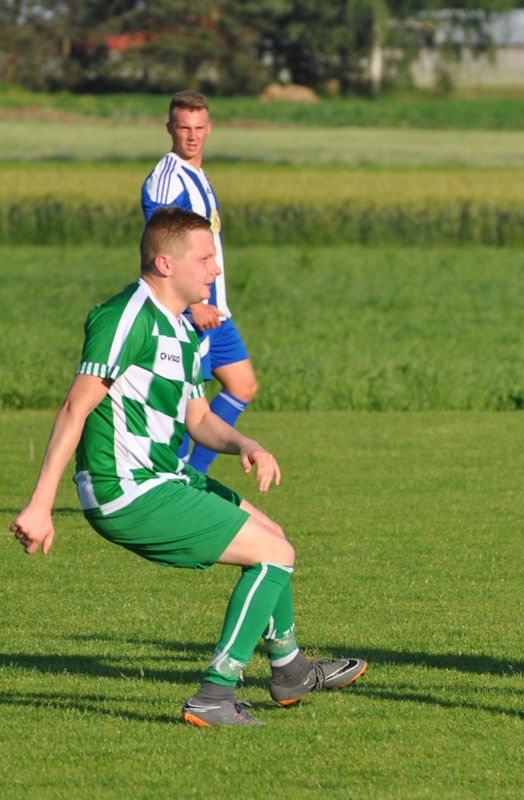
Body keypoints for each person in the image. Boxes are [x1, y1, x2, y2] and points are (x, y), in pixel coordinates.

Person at [9, 208, 366, 727]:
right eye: (205, 258)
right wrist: (41, 505)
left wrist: (245, 442)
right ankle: (215, 694)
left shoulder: (180, 326)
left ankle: (289, 669)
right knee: (275, 556)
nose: (216, 269)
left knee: (273, 536)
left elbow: (198, 418)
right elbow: (74, 408)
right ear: (165, 263)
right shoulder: (124, 317)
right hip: (125, 489)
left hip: (164, 476)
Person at [142, 90, 257, 474]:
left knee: (243, 385)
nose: (192, 136)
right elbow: (161, 245)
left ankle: (193, 472)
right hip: (191, 311)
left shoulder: (197, 174)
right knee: (185, 405)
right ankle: (171, 478)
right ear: (169, 128)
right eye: (183, 128)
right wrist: (193, 304)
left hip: (216, 309)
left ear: (209, 128)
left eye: (198, 128)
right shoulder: (167, 180)